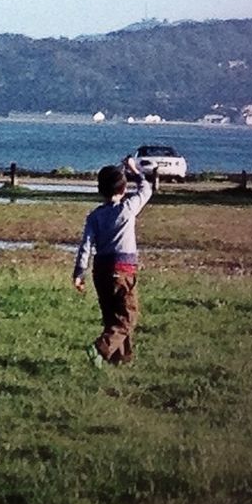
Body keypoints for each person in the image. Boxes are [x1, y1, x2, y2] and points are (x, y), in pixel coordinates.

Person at [73, 155, 153, 367]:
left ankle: (119, 360)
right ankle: (100, 348)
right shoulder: (127, 209)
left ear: (100, 190)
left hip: (100, 271)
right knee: (128, 318)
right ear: (123, 189)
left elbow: (86, 246)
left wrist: (79, 273)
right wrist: (134, 170)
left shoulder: (94, 216)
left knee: (112, 317)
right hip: (123, 269)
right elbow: (146, 189)